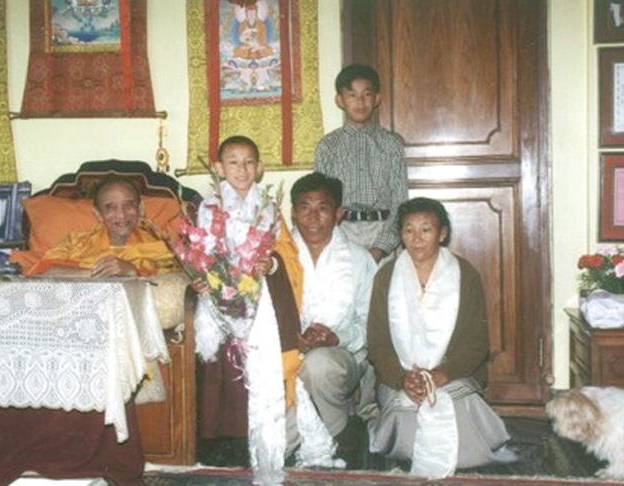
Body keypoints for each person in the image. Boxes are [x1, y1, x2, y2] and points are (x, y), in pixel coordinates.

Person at [194, 136, 338, 485]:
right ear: (219, 168)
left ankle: (261, 439)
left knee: (263, 362)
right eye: (233, 162)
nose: (241, 170)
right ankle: (226, 439)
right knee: (226, 364)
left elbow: (286, 252)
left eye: (248, 163)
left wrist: (269, 263)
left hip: (263, 296)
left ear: (259, 169)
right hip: (222, 295)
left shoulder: (269, 207)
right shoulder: (209, 207)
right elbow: (203, 248)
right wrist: (206, 278)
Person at [366, 197, 518, 477]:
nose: (417, 238)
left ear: (442, 233)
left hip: (452, 374)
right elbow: (377, 344)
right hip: (400, 375)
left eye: (426, 229)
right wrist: (404, 379)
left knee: (464, 447)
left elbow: (476, 343)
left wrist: (441, 374)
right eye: (408, 230)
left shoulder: (465, 274)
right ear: (400, 235)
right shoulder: (386, 276)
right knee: (409, 443)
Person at [288, 172, 377, 468]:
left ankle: (342, 435)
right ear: (293, 212)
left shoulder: (360, 259)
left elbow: (371, 326)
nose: (313, 218)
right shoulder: (278, 258)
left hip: (342, 356)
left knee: (319, 364)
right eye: (304, 207)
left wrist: (335, 337)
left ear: (338, 214)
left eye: (322, 208)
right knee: (279, 448)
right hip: (288, 353)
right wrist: (291, 336)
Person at [315, 64, 408, 263]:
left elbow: (400, 201)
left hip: (382, 230)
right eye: (352, 95)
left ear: (377, 99)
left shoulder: (391, 145)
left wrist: (381, 247)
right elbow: (321, 201)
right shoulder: (328, 146)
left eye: (367, 94)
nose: (360, 101)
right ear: (340, 100)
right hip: (342, 232)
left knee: (380, 293)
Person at [27, 176, 175, 277]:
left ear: (141, 209)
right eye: (111, 208)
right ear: (98, 214)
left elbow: (175, 286)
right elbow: (44, 273)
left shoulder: (158, 245)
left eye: (129, 206)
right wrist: (97, 273)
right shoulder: (78, 243)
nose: (122, 215)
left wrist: (134, 273)